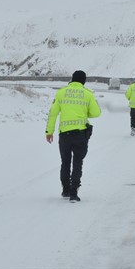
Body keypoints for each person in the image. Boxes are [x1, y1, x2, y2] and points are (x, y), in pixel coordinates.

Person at [45, 70, 101, 202]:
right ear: (84, 81)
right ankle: (74, 193)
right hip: (80, 135)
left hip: (64, 135)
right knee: (77, 162)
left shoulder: (61, 93)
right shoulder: (88, 94)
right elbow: (97, 113)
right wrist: (84, 113)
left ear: (72, 79)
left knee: (65, 162)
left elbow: (53, 113)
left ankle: (65, 190)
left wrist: (49, 132)